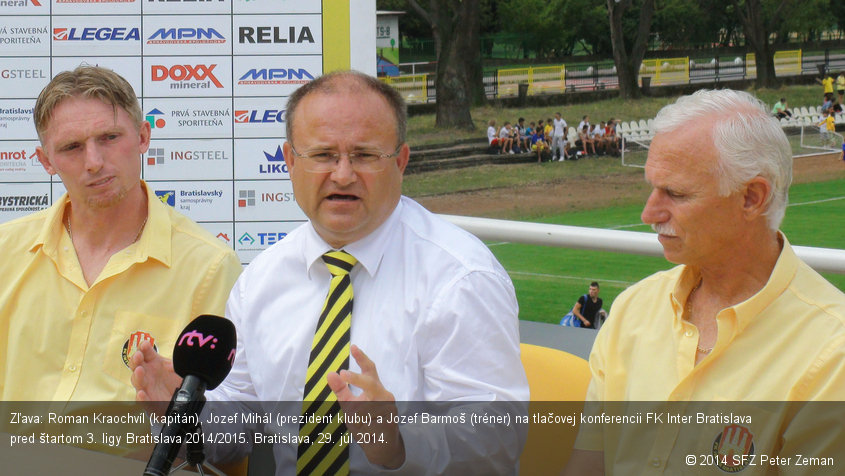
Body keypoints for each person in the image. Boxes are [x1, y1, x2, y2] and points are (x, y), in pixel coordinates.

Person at [131, 70, 529, 474]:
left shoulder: (461, 278)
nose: (342, 174)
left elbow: (494, 442)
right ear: (289, 161)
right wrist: (182, 417)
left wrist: (397, 439)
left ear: (401, 162)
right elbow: (242, 420)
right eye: (323, 155)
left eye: (364, 155)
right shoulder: (262, 280)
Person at [563, 89, 845, 475]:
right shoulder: (634, 309)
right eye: (652, 187)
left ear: (751, 197)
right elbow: (587, 465)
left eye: (675, 193)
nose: (649, 212)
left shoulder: (832, 352)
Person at [0, 65, 242, 401]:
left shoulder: (209, 268)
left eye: (109, 138)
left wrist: (180, 412)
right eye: (72, 147)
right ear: (46, 161)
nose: (94, 161)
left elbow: (233, 428)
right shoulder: (5, 252)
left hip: (131, 457)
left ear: (143, 136)